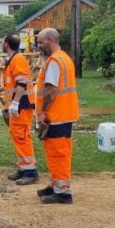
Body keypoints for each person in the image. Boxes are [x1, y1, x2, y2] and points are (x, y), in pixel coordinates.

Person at [34, 28, 78, 204]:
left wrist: (42, 112)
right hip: (64, 113)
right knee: (55, 153)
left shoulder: (54, 61)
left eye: (41, 42)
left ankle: (62, 192)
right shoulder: (64, 58)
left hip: (56, 115)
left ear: (51, 41)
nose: (39, 46)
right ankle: (54, 185)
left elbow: (51, 90)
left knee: (58, 153)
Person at [0, 34, 38, 185]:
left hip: (22, 105)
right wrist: (0, 88)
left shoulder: (17, 59)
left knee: (22, 137)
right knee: (17, 136)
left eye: (2, 42)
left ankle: (30, 171)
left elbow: (22, 82)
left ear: (6, 44)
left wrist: (15, 103)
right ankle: (23, 168)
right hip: (18, 105)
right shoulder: (12, 60)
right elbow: (14, 84)